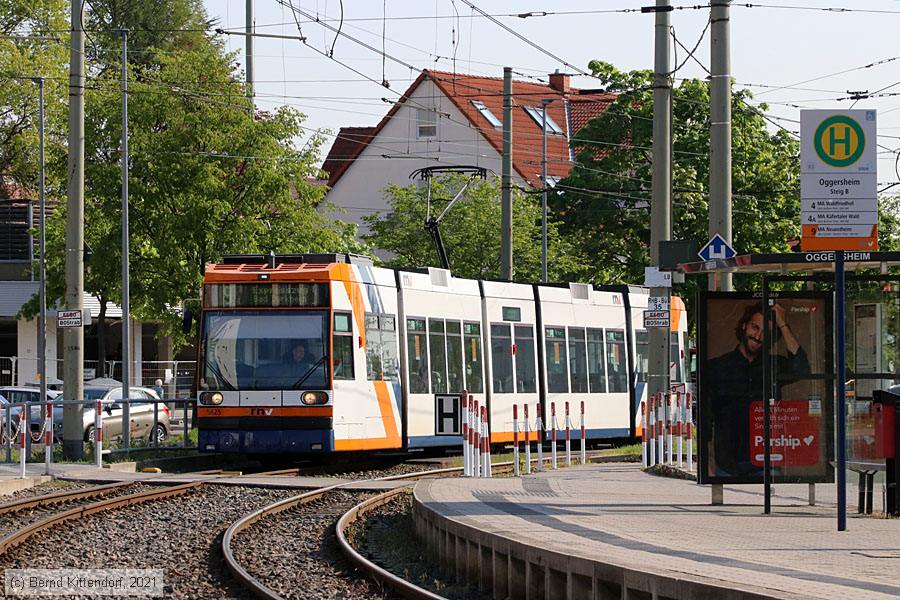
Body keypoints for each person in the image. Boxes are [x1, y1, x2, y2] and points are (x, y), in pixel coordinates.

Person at [706, 302, 810, 477]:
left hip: (766, 459)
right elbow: (707, 414)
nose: (758, 336)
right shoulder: (718, 366)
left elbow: (801, 369)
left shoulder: (774, 365)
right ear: (744, 325)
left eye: (765, 333)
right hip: (728, 461)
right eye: (755, 327)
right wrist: (707, 458)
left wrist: (783, 325)